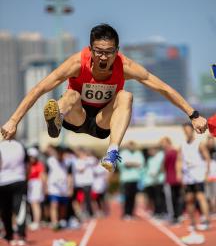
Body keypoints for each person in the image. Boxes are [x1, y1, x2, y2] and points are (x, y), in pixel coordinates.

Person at [1, 24, 208, 173]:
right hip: (77, 116)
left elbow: (162, 88)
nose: (103, 57)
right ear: (90, 50)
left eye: (109, 53)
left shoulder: (125, 66)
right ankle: (57, 119)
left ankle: (112, 152)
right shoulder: (76, 63)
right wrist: (13, 121)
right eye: (98, 52)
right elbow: (39, 88)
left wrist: (193, 114)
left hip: (103, 121)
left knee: (126, 96)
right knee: (70, 94)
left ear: (116, 51)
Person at [177, 123, 211, 231]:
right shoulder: (182, 145)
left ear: (192, 130)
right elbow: (179, 160)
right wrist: (179, 173)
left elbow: (207, 159)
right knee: (189, 199)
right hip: (188, 176)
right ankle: (192, 222)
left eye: (188, 130)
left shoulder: (199, 144)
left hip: (198, 174)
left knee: (201, 197)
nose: (187, 132)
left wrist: (206, 173)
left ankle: (206, 220)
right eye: (185, 130)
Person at [0, 139, 28, 246]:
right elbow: (27, 163)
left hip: (3, 181)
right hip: (19, 179)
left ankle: (9, 235)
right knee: (20, 208)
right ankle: (21, 235)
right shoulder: (20, 145)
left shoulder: (1, 146)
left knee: (6, 209)